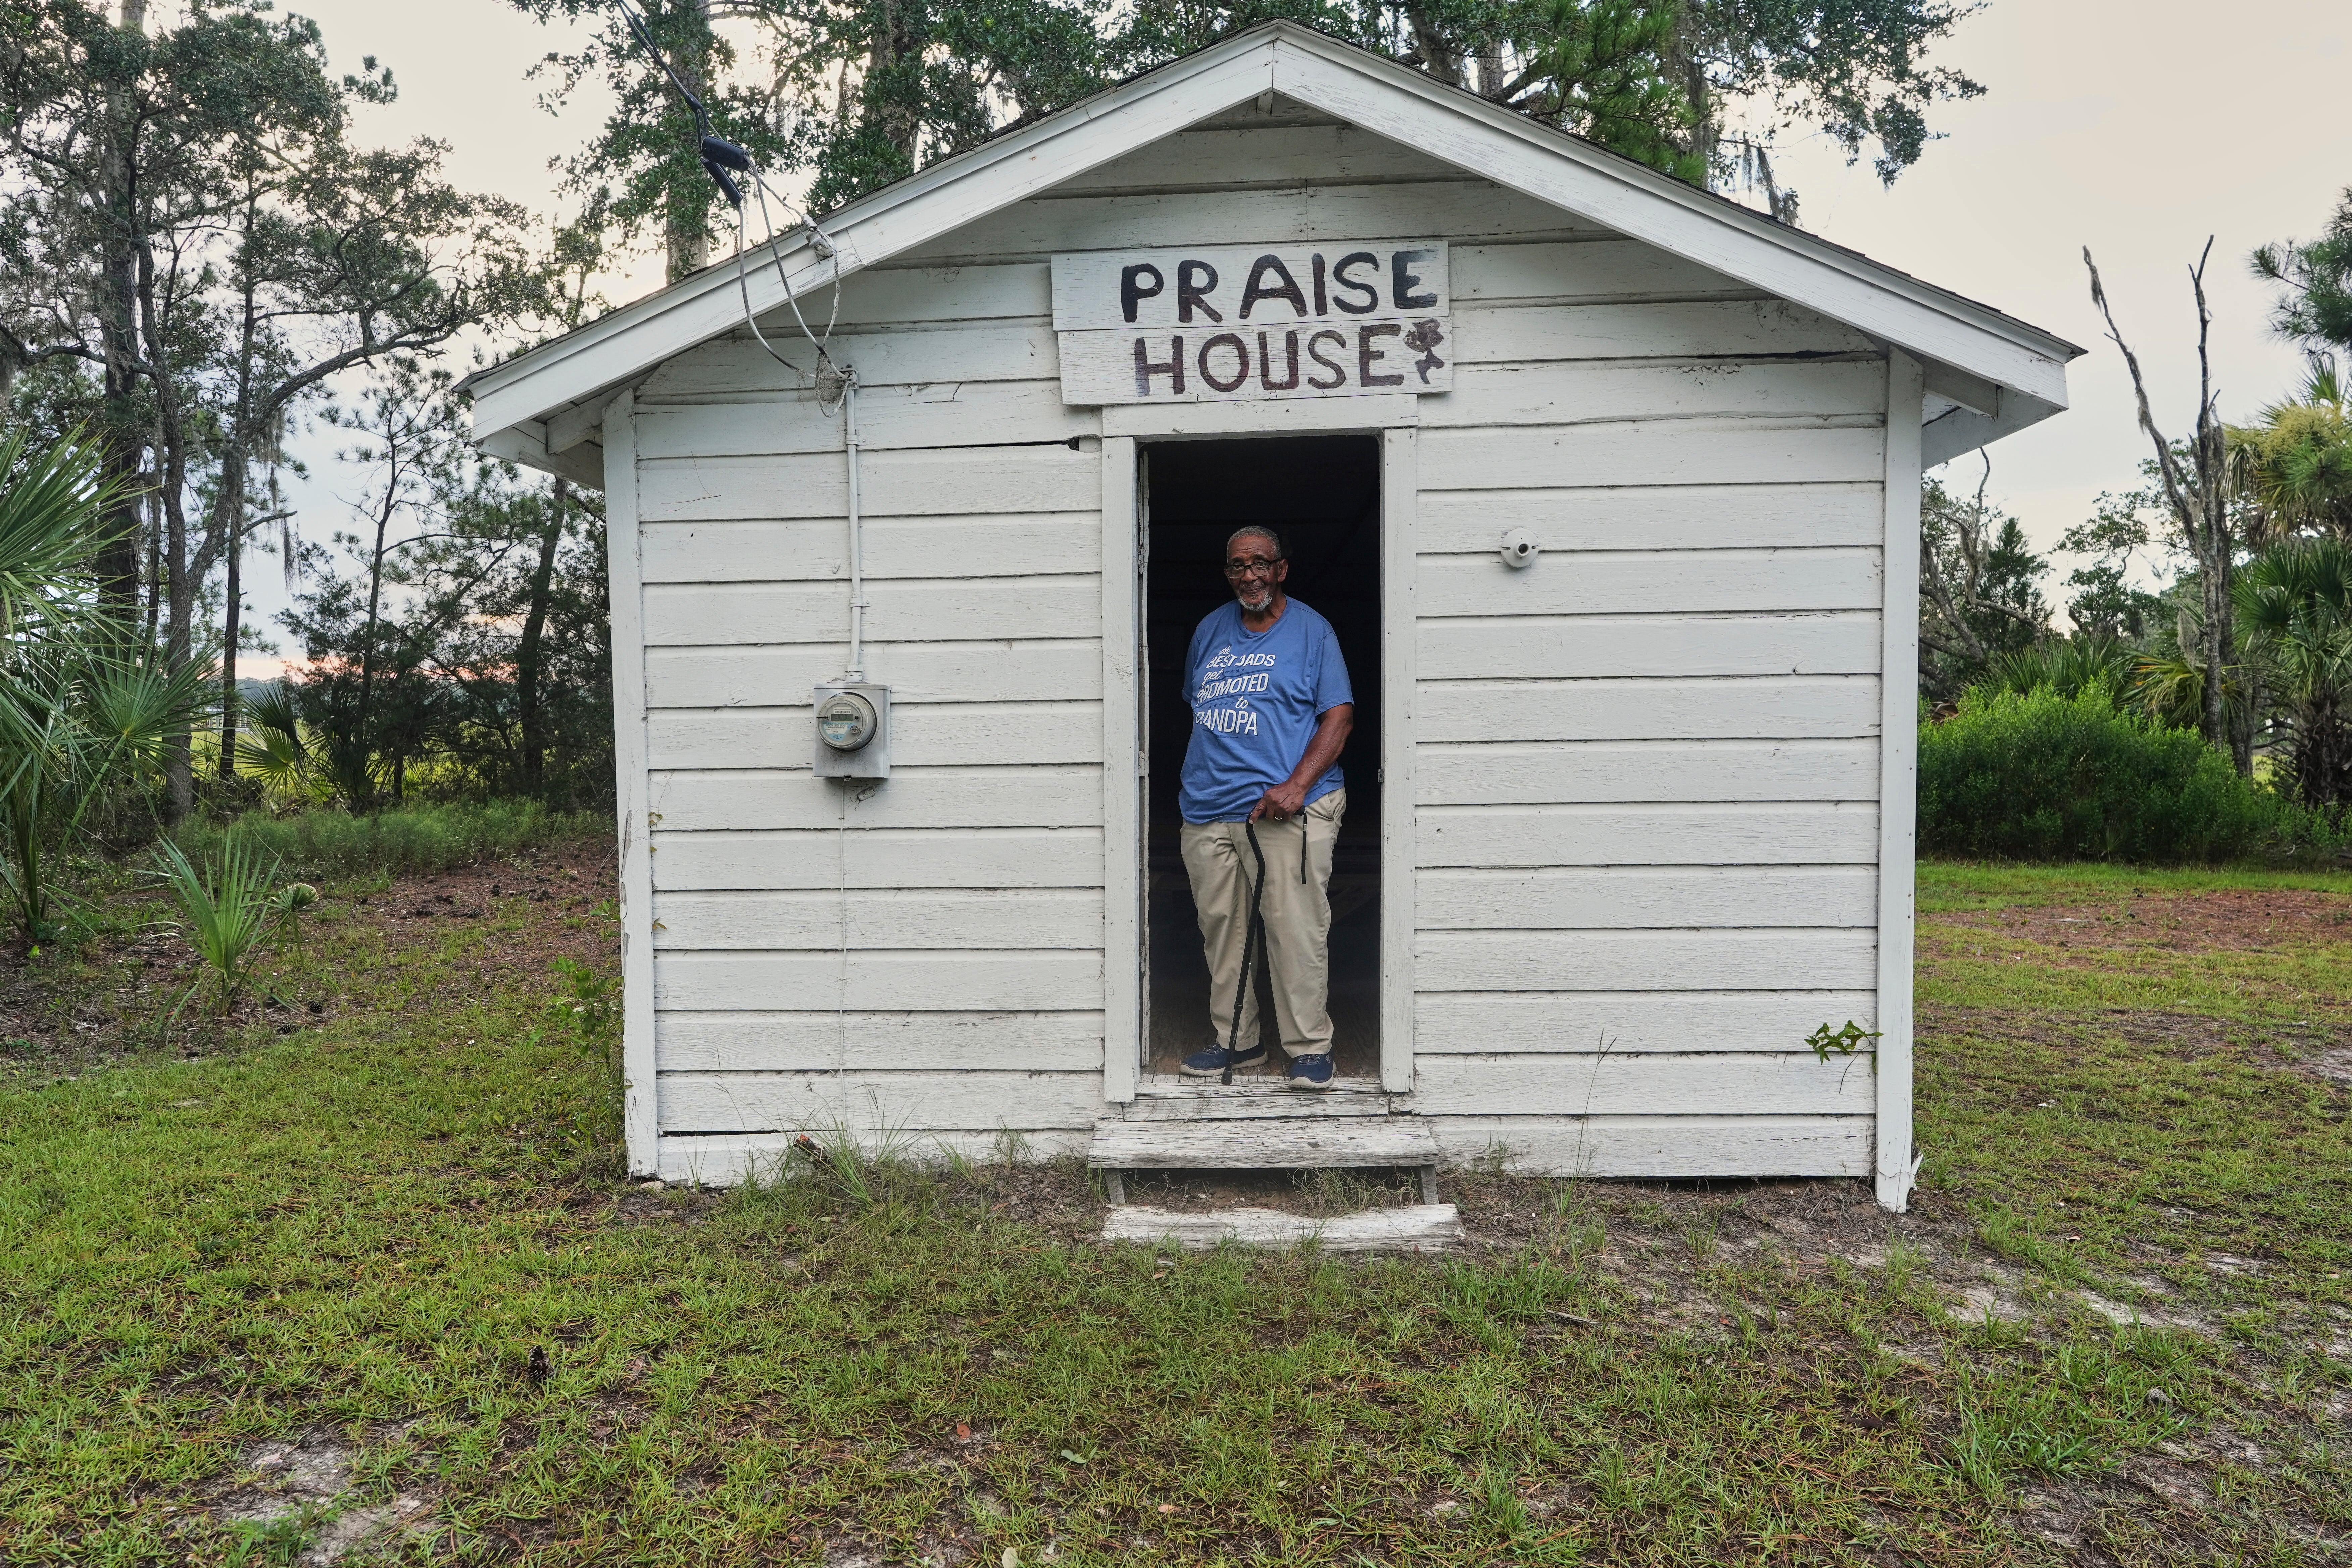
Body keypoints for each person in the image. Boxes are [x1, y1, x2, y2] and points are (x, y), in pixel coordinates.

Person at [1176, 524, 1354, 1090]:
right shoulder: (1209, 630)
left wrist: (1297, 784)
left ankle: (1308, 1047)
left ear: (1281, 569)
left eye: (1259, 564)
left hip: (1287, 809)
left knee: (1294, 928)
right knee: (1222, 933)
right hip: (1207, 807)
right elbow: (1198, 709)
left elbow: (1339, 718)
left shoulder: (1312, 631)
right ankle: (1238, 1042)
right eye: (1236, 566)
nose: (1248, 575)